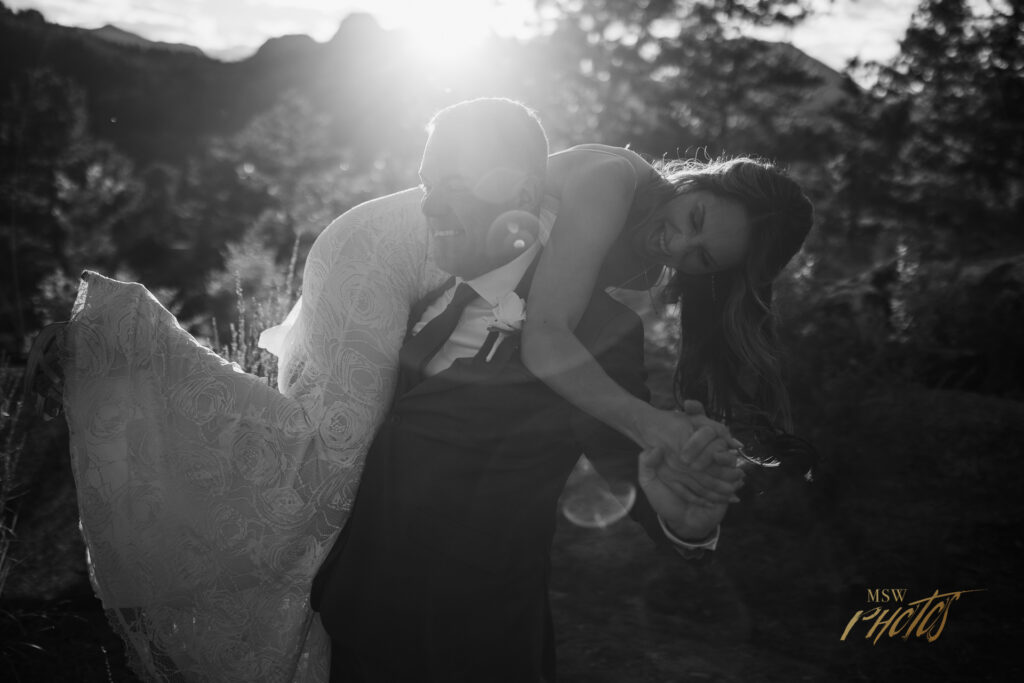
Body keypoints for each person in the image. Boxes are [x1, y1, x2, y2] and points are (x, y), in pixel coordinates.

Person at [308, 97, 745, 682]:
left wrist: (687, 522)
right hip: (362, 609)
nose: (434, 204)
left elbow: (628, 462)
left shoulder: (599, 329)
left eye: (459, 185)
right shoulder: (423, 296)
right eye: (432, 185)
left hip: (476, 631)